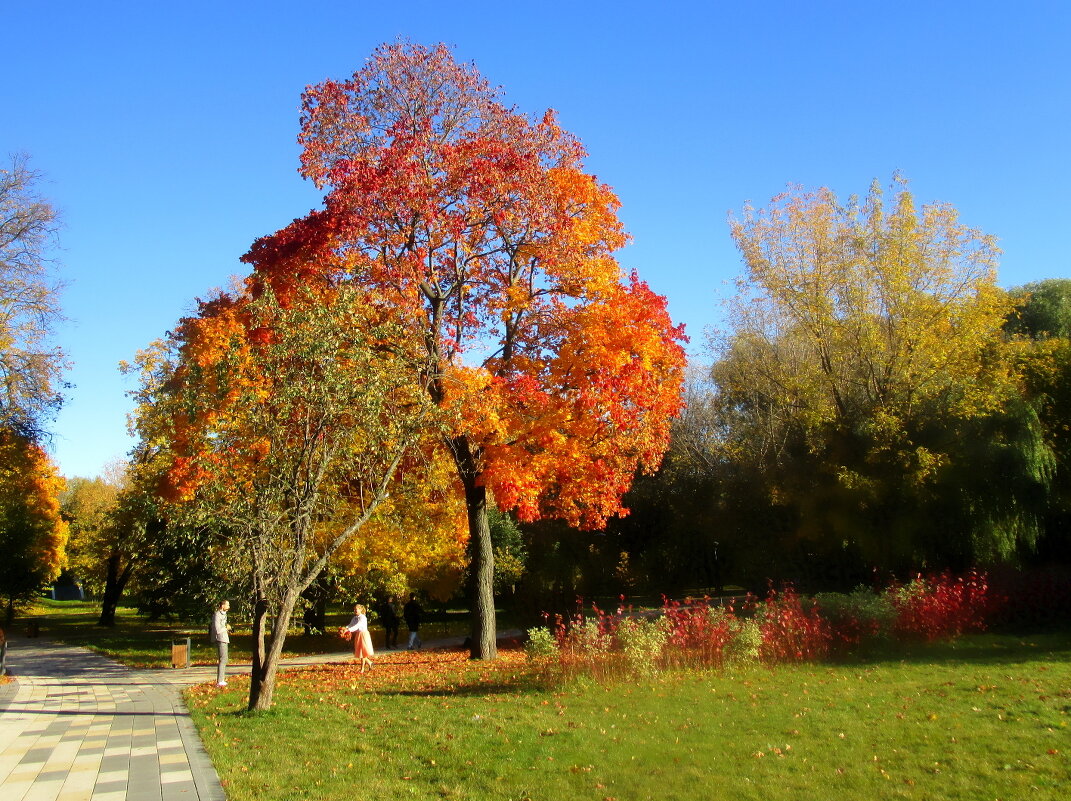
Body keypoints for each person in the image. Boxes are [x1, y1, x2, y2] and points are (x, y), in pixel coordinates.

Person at [343, 604, 374, 672]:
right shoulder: (354, 618)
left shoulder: (362, 618)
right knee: (360, 652)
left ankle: (362, 669)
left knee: (363, 652)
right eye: (354, 609)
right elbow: (351, 625)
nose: (355, 611)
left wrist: (348, 630)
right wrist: (345, 628)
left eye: (356, 609)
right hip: (358, 635)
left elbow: (357, 626)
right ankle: (369, 663)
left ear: (360, 610)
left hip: (363, 635)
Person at [209, 600, 230, 687]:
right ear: (222, 605)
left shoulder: (224, 615)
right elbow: (217, 629)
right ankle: (220, 681)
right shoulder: (217, 615)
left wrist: (227, 629)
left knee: (225, 659)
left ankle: (221, 679)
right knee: (223, 659)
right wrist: (226, 628)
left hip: (224, 638)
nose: (229, 606)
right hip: (220, 639)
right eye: (227, 605)